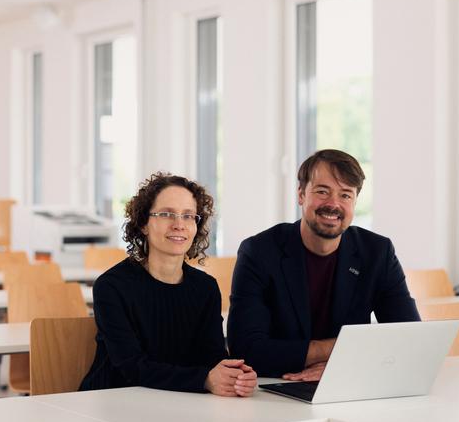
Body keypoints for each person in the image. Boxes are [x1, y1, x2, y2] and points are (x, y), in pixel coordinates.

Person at [227, 149, 420, 381]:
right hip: (277, 384)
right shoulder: (258, 252)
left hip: (348, 383)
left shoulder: (377, 252)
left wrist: (343, 367)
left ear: (355, 201)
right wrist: (344, 351)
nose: (333, 204)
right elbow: (246, 350)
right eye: (322, 191)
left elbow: (410, 339)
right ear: (301, 194)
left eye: (346, 195)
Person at [80, 172, 257, 396]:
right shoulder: (112, 286)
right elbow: (131, 367)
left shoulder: (205, 287)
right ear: (143, 223)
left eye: (188, 216)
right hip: (114, 402)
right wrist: (204, 380)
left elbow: (212, 358)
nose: (179, 225)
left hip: (179, 401)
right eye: (166, 214)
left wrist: (234, 375)